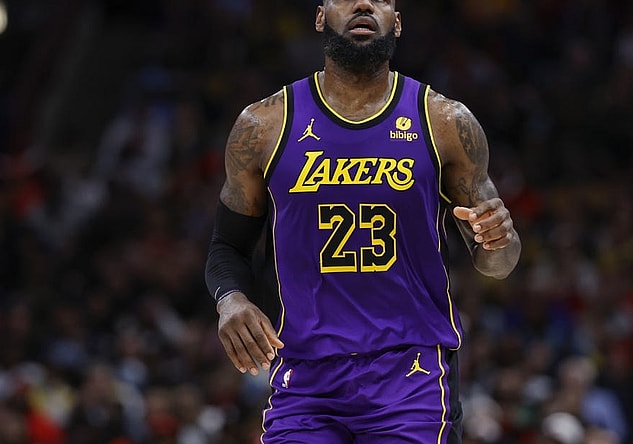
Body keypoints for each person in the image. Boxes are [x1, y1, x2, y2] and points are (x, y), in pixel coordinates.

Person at [205, 1, 521, 442]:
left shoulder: (444, 122)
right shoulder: (264, 125)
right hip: (305, 376)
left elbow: (498, 262)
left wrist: (498, 240)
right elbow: (227, 247)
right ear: (319, 17)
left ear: (398, 22)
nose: (363, 3)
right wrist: (231, 300)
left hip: (409, 374)